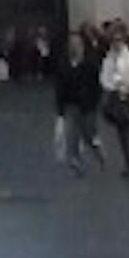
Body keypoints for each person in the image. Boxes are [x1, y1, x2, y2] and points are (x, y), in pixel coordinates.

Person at [98, 21, 129, 179]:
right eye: (113, 40)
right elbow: (104, 78)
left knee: (126, 134)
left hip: (128, 100)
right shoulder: (108, 58)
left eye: (118, 40)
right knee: (122, 134)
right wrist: (113, 84)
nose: (116, 43)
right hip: (115, 100)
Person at [52, 30, 103, 174]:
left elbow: (96, 87)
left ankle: (99, 153)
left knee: (89, 135)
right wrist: (60, 107)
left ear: (82, 46)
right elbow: (59, 87)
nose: (74, 47)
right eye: (71, 44)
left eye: (77, 44)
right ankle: (76, 162)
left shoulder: (90, 65)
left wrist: (94, 103)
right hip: (70, 105)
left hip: (87, 106)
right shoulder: (63, 65)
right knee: (72, 135)